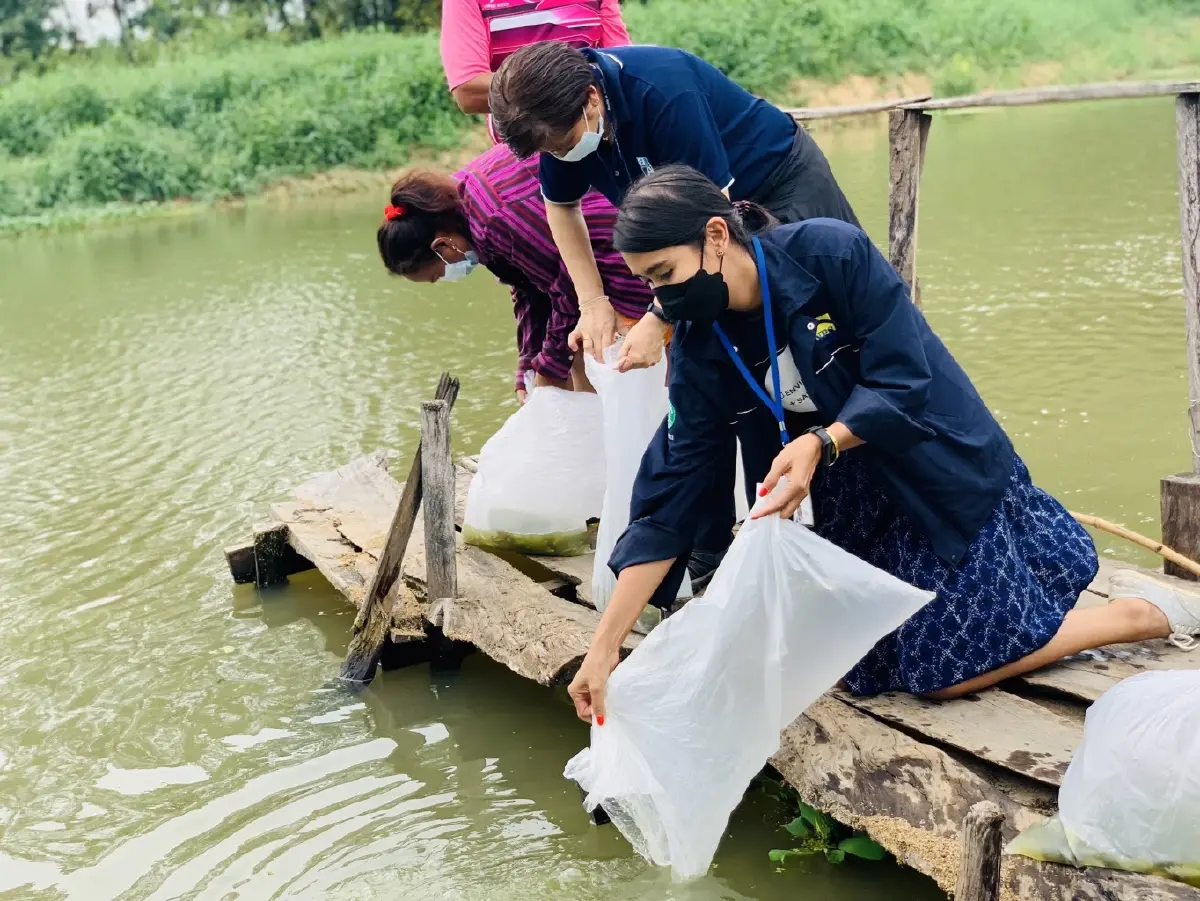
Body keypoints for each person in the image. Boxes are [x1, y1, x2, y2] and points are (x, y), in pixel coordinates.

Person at [566, 165, 1200, 722]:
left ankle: (1135, 617)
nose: (663, 299)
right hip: (845, 500)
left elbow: (904, 378)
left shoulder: (829, 255)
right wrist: (605, 650)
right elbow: (675, 491)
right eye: (649, 285)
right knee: (860, 670)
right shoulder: (703, 342)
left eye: (666, 275)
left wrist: (823, 443)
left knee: (941, 674)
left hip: (929, 466)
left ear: (715, 234)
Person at [488, 40, 860, 373]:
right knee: (744, 341)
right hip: (709, 217)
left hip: (778, 181)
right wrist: (593, 302)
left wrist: (659, 315)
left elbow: (713, 223)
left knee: (829, 310)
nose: (561, 155)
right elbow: (562, 207)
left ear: (591, 98)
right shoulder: (556, 126)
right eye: (550, 151)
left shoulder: (663, 92)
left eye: (563, 144)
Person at [376, 143, 650, 401]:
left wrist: (548, 370)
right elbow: (528, 286)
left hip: (618, 238)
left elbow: (567, 289)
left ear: (442, 245)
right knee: (569, 355)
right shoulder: (460, 207)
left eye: (438, 274)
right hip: (581, 256)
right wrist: (529, 365)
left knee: (585, 349)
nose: (447, 278)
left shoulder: (494, 220)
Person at [439, 0, 630, 141]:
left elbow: (620, 67)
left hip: (598, 139)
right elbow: (469, 92)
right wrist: (573, 84)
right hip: (527, 147)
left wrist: (523, 86)